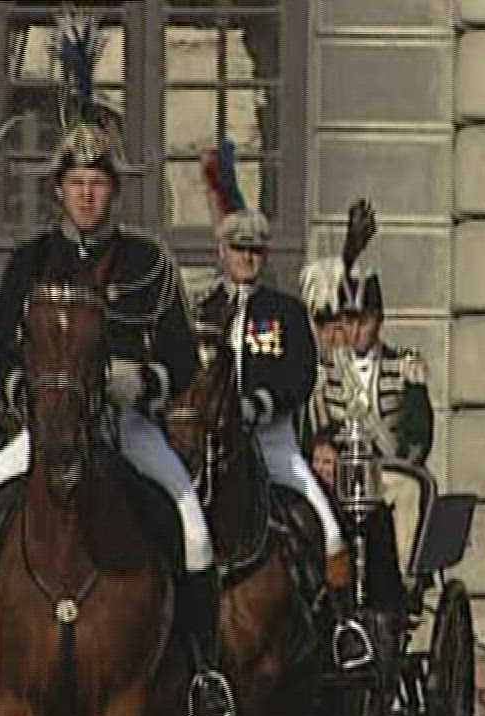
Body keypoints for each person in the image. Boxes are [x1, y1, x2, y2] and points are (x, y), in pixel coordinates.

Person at [0, 13, 234, 716]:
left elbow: (181, 359)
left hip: (125, 425)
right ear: (58, 190)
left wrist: (141, 384)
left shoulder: (147, 262)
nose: (88, 194)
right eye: (77, 182)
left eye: (98, 182)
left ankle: (201, 676)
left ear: (112, 191)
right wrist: (18, 389)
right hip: (46, 428)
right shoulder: (30, 262)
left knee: (193, 531)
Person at [194, 141, 369, 670]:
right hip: (209, 446)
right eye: (238, 249)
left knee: (328, 527)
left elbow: (300, 373)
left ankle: (342, 625)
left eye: (255, 251)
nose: (246, 258)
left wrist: (263, 403)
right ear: (221, 252)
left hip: (272, 442)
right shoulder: (203, 310)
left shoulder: (285, 311)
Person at [301, 199, 435, 600]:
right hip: (338, 474)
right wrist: (323, 450)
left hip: (386, 471)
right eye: (349, 320)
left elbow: (419, 433)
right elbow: (317, 428)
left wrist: (403, 460)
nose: (355, 330)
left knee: (407, 490)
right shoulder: (327, 371)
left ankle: (403, 584)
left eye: (364, 320)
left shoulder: (404, 366)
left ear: (380, 320)